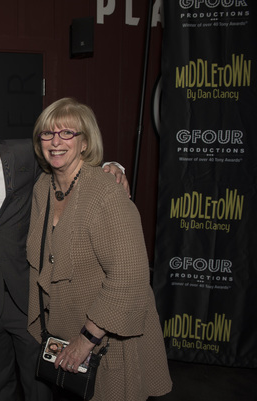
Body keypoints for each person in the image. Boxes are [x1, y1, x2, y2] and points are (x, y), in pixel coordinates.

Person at [0, 85, 128, 401]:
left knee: (39, 389)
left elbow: (70, 162)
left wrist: (113, 167)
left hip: (30, 304)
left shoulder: (24, 153)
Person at [26, 98, 172, 400]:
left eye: (67, 133)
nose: (55, 141)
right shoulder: (43, 187)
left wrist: (86, 339)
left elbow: (130, 277)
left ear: (85, 143)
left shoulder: (106, 191)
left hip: (106, 340)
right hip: (64, 336)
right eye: (47, 134)